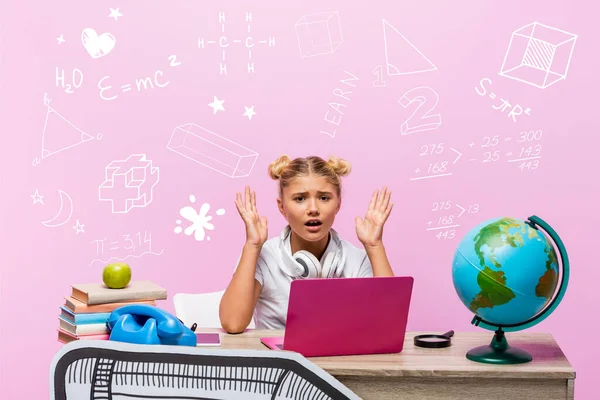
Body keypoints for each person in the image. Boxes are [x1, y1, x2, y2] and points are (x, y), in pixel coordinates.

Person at [219, 155, 395, 333]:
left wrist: (374, 246)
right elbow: (233, 324)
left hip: (338, 359)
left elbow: (389, 324)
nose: (313, 209)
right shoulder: (263, 256)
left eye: (324, 198)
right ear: (282, 207)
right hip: (279, 358)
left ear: (338, 204)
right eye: (300, 199)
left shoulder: (357, 259)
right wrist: (252, 246)